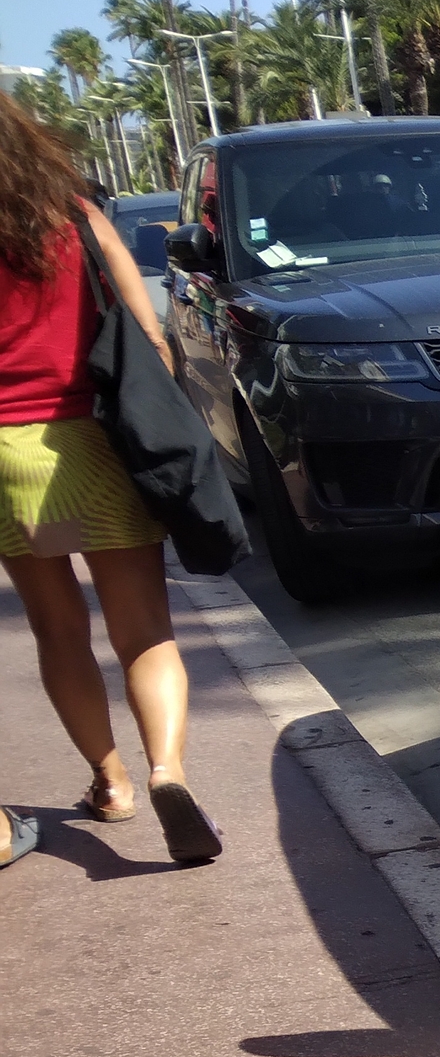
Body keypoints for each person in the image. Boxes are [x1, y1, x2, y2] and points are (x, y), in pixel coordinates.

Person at [0, 92, 220, 864]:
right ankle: (168, 770)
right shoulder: (78, 219)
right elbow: (149, 333)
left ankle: (111, 782)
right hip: (90, 445)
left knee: (59, 629)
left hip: (4, 463)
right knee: (143, 632)